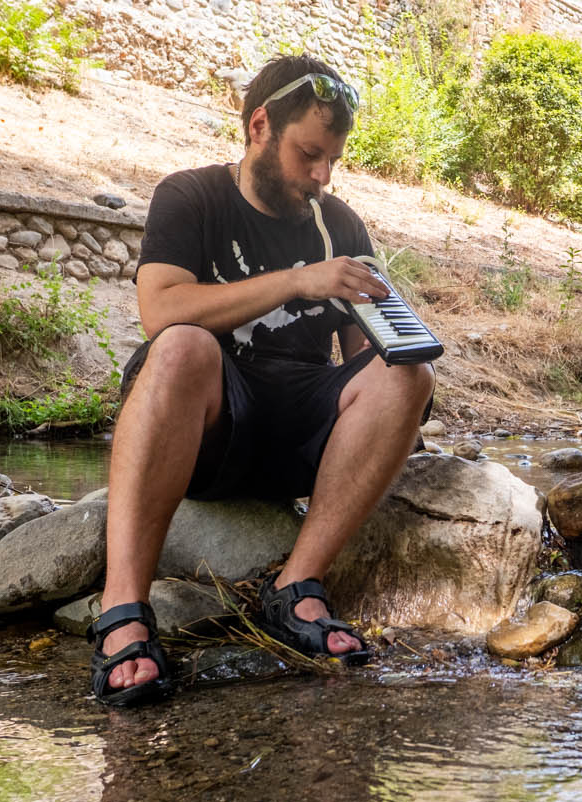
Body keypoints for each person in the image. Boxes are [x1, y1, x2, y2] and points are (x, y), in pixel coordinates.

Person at [91, 55, 436, 706]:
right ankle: (124, 610)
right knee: (182, 345)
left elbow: (368, 367)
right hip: (204, 431)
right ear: (259, 127)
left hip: (301, 438)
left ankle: (296, 587)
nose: (322, 175)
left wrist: (394, 331)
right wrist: (300, 280)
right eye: (309, 154)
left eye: (333, 159)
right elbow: (160, 310)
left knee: (408, 373)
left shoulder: (342, 225)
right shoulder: (191, 196)